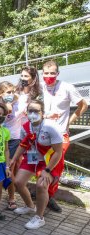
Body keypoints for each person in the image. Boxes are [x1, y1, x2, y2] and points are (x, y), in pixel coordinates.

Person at [41, 60, 88, 212]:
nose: (49, 76)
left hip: (60, 134)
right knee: (41, 165)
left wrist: (69, 122)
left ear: (58, 73)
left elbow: (83, 105)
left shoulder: (67, 87)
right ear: (42, 74)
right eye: (46, 73)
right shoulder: (40, 87)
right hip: (42, 133)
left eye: (52, 73)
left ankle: (50, 197)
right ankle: (42, 193)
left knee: (56, 168)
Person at [12, 100, 64, 229]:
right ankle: (30, 206)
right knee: (18, 182)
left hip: (49, 161)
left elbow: (58, 152)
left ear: (43, 113)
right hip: (32, 158)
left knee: (41, 185)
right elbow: (23, 145)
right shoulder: (25, 127)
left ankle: (39, 217)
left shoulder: (51, 127)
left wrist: (47, 170)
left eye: (36, 111)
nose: (33, 114)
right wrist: (13, 159)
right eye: (30, 111)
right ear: (26, 112)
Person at [0, 81, 26, 210]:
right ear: (0, 94)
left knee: (9, 169)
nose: (11, 94)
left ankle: (12, 197)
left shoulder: (20, 103)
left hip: (13, 139)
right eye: (8, 92)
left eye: (12, 92)